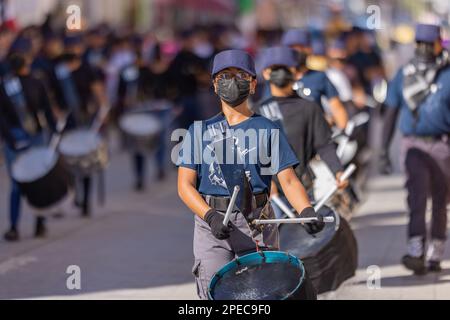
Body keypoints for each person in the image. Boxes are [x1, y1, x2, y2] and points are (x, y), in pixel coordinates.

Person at [177, 49, 324, 300]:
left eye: (240, 75)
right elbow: (185, 186)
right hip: (211, 224)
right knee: (215, 294)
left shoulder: (267, 129)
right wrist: (210, 216)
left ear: (254, 84)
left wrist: (306, 210)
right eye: (224, 75)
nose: (232, 81)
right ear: (214, 85)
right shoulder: (198, 132)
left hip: (257, 222)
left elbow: (287, 179)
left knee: (261, 294)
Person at [380, 23, 450, 274]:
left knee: (441, 200)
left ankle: (436, 251)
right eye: (418, 43)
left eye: (427, 44)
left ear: (437, 45)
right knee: (417, 198)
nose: (422, 48)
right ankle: (416, 250)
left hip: (442, 146)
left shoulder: (446, 73)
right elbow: (390, 112)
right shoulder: (403, 74)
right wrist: (382, 151)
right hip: (412, 146)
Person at [257, 46, 347, 213]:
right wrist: (265, 182)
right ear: (265, 73)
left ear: (297, 73)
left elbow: (324, 144)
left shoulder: (309, 108)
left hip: (302, 188)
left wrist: (338, 171)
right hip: (271, 194)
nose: (280, 73)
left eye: (286, 68)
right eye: (275, 69)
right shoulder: (258, 112)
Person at [0, 37, 56, 241]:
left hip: (37, 137)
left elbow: (47, 109)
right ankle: (14, 226)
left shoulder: (37, 82)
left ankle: (40, 223)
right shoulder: (5, 84)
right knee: (16, 184)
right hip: (16, 137)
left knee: (38, 181)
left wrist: (54, 129)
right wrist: (9, 139)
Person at [50, 34, 109, 217]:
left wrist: (102, 111)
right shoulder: (58, 70)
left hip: (85, 120)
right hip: (66, 123)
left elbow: (98, 92)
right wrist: (55, 111)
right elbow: (51, 95)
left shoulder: (87, 69)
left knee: (85, 162)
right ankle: (69, 197)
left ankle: (85, 201)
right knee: (64, 163)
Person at [117, 42, 175, 190]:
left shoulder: (162, 70)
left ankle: (160, 167)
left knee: (160, 140)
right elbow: (124, 89)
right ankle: (139, 177)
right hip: (140, 110)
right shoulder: (133, 71)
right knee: (138, 145)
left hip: (160, 108)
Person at [281, 29, 348, 130]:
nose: (297, 51)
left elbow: (337, 108)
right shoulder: (276, 79)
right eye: (292, 48)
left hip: (315, 138)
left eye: (301, 47)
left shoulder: (319, 77)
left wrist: (343, 133)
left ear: (310, 49)